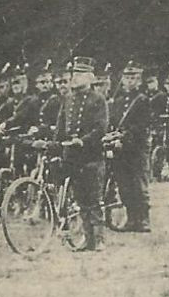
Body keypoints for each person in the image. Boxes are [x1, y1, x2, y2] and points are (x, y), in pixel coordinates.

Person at [57, 56, 110, 251]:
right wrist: (55, 145)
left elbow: (100, 128)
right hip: (72, 157)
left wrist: (83, 140)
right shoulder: (68, 99)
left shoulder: (98, 100)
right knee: (80, 199)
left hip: (91, 156)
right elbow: (61, 126)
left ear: (90, 77)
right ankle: (88, 240)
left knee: (94, 198)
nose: (75, 78)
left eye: (79, 74)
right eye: (74, 74)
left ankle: (99, 239)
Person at [107, 60, 153, 232]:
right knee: (124, 184)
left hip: (136, 148)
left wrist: (125, 137)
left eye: (133, 78)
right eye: (127, 77)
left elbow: (142, 126)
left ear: (139, 81)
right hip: (120, 149)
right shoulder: (117, 101)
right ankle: (132, 219)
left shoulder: (142, 100)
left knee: (139, 184)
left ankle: (144, 219)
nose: (130, 81)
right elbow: (113, 122)